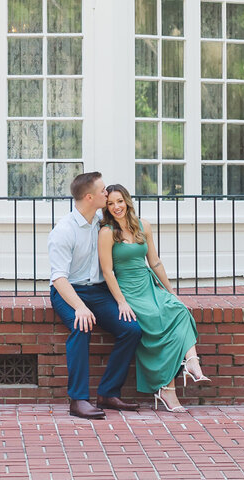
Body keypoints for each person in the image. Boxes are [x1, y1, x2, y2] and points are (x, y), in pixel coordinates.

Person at [98, 183, 208, 412]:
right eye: (110, 203)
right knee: (156, 321)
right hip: (128, 291)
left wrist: (171, 292)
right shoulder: (107, 232)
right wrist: (121, 301)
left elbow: (155, 261)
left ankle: (192, 362)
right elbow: (107, 271)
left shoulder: (142, 226)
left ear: (127, 201)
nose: (116, 207)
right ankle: (168, 390)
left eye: (119, 201)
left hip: (148, 285)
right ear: (106, 207)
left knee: (178, 310)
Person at [48, 171, 143, 419]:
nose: (107, 194)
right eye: (103, 191)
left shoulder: (102, 221)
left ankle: (108, 393)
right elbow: (59, 278)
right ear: (90, 197)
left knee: (131, 329)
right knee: (82, 327)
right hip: (69, 291)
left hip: (98, 291)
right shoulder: (64, 230)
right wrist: (79, 307)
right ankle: (78, 400)